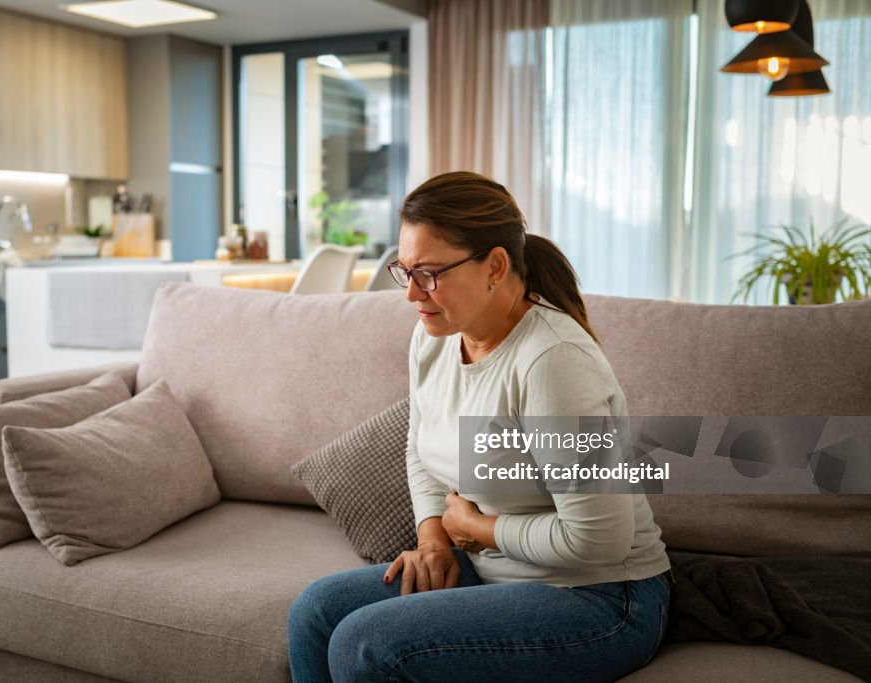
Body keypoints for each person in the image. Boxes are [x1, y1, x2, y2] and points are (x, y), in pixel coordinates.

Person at [287, 171, 671, 683]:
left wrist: (476, 529)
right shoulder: (435, 337)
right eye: (406, 271)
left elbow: (599, 539)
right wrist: (434, 541)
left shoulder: (553, 362)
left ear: (494, 265)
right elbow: (420, 451)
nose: (412, 294)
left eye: (430, 273)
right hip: (494, 572)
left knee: (366, 644)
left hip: (600, 595)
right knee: (314, 612)